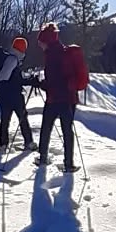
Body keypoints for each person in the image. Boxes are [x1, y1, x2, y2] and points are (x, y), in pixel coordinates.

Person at [36, 22, 79, 171]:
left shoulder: (52, 55)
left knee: (46, 127)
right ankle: (69, 164)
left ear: (46, 41)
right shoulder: (61, 51)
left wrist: (41, 84)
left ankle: (42, 158)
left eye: (41, 42)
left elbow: (53, 81)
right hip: (68, 98)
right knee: (67, 130)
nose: (40, 45)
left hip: (55, 99)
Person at [0, 36, 36, 155]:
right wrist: (25, 81)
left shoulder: (10, 58)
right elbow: (5, 77)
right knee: (22, 118)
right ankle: (28, 142)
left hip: (4, 95)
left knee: (5, 119)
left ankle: (3, 144)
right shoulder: (13, 59)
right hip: (13, 96)